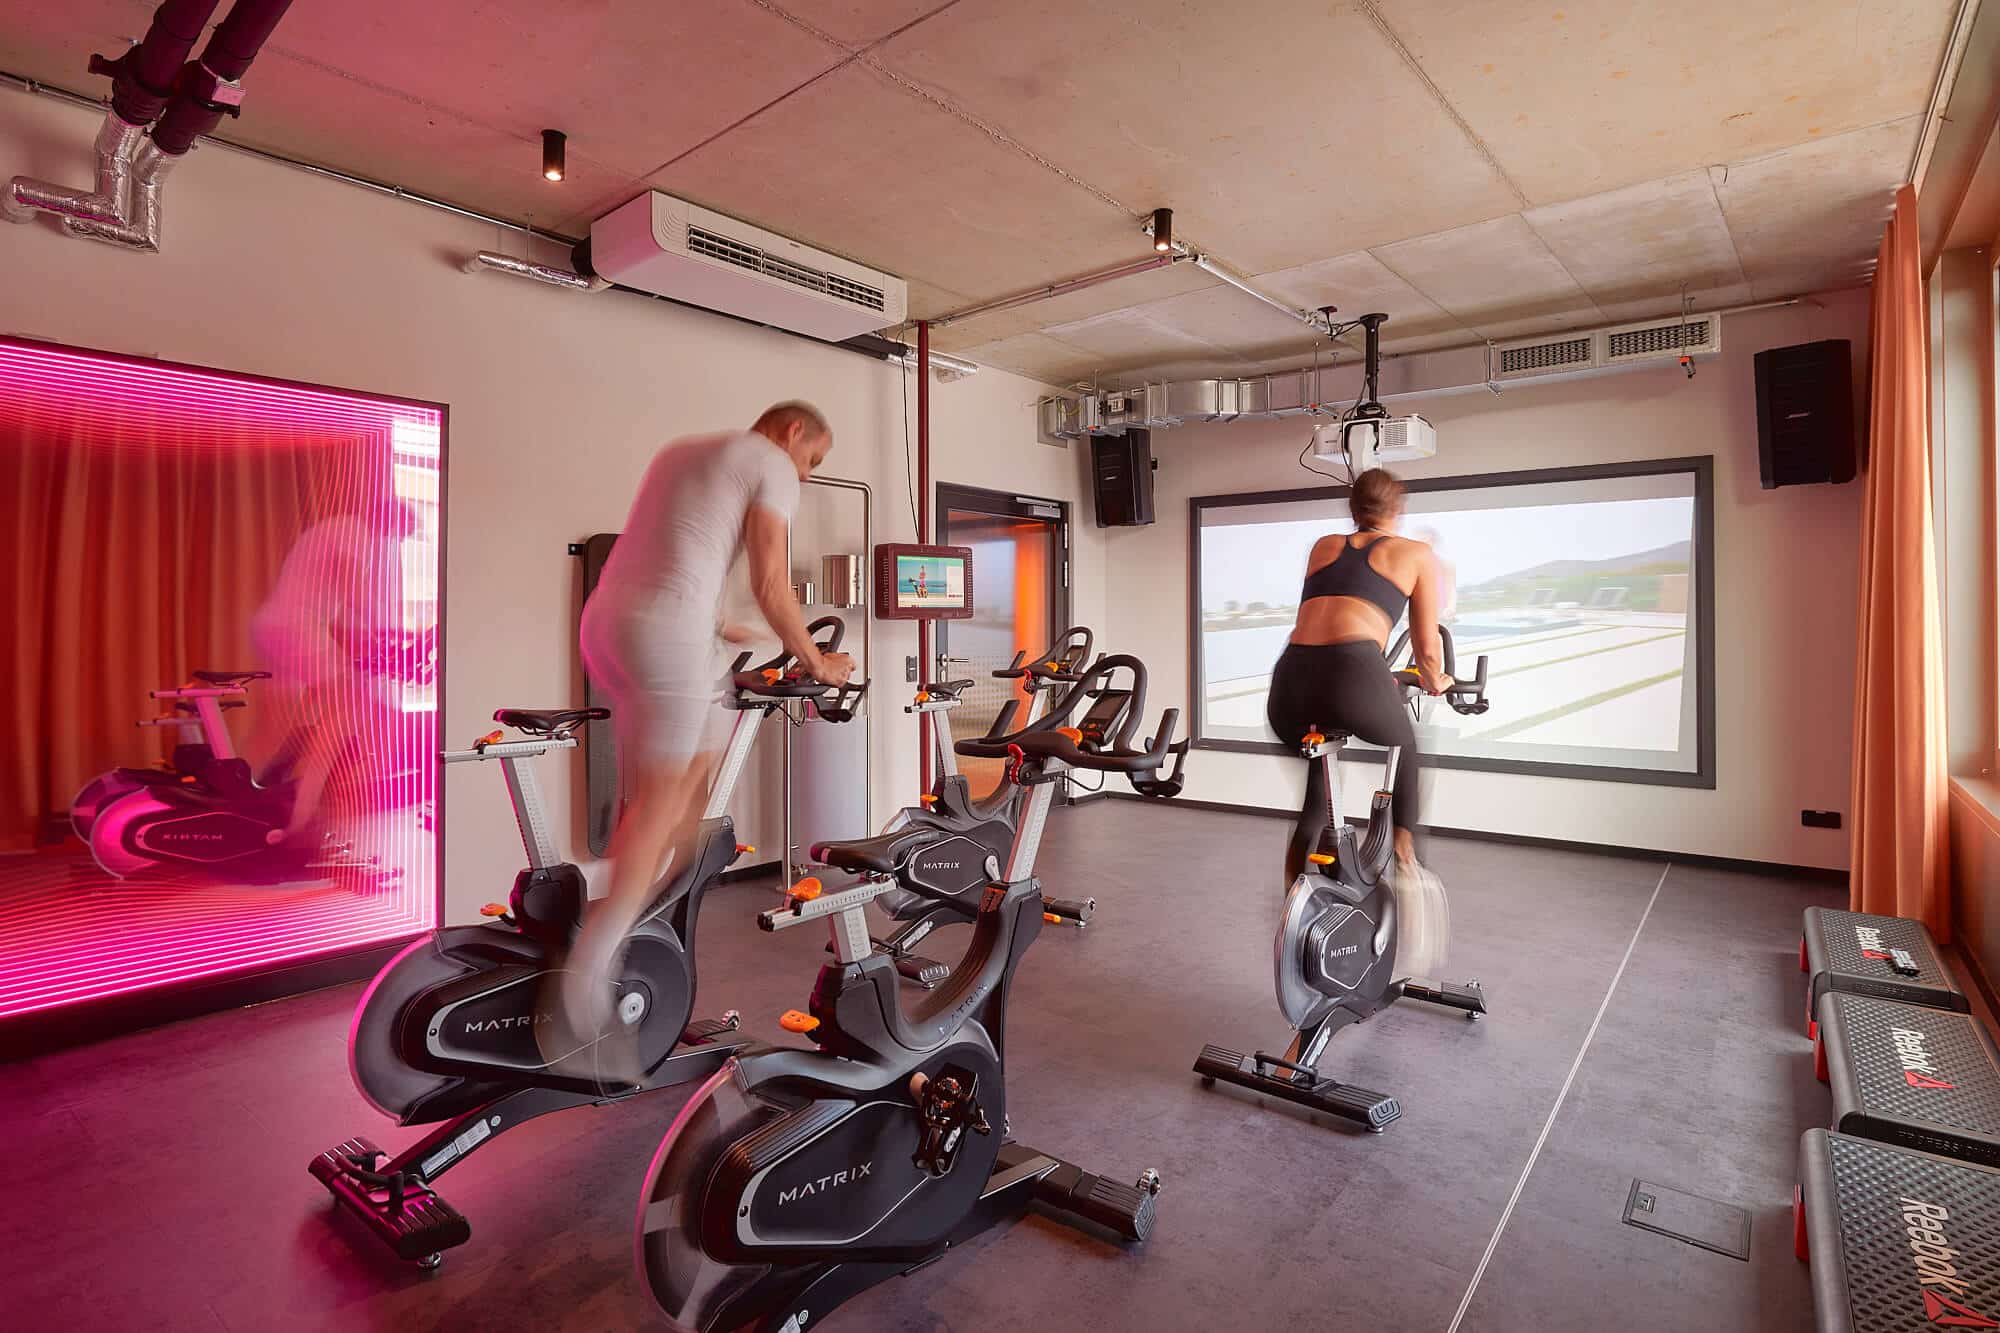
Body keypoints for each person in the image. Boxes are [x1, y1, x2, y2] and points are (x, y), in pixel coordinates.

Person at [560, 402, 854, 1083]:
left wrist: (731, 632)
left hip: (608, 625)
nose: (804, 477)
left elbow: (674, 558)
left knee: (688, 802)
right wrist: (817, 660)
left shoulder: (682, 449)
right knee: (665, 809)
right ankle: (588, 974)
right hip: (667, 633)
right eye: (813, 461)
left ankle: (631, 924)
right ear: (794, 432)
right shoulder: (772, 460)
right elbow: (773, 584)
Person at [1264, 467, 1453, 974]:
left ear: (1354, 509)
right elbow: (1427, 647)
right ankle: (1407, 864)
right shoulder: (1417, 554)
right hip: (1352, 671)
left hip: (1289, 686)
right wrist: (1436, 679)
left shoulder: (1323, 545)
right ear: (1399, 510)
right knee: (1404, 749)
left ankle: (1293, 906)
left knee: (1318, 783)